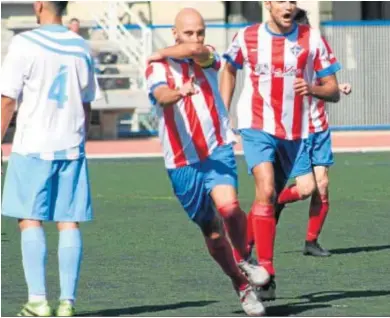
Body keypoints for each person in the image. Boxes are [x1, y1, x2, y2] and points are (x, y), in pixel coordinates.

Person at [146, 7, 268, 316]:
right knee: (212, 232)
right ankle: (240, 286)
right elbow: (161, 96)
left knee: (229, 208)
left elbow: (198, 52)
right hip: (181, 162)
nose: (196, 38)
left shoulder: (208, 55)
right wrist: (178, 92)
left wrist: (160, 50)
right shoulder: (156, 68)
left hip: (217, 148)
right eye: (188, 32)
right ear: (175, 33)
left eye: (200, 31)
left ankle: (244, 259)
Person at [220, 1, 341, 301]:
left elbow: (333, 90)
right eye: (281, 1)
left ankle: (241, 248)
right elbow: (229, 69)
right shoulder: (247, 37)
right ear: (268, 4)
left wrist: (312, 89)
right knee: (266, 187)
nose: (287, 6)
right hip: (256, 124)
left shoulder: (311, 38)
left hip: (295, 132)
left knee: (272, 196)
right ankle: (267, 275)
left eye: (292, 1)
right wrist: (224, 116)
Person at [1, 1, 100, 316]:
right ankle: (67, 304)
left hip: (32, 145)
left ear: (39, 5)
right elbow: (86, 103)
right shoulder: (81, 45)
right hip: (71, 146)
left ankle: (38, 302)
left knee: (30, 219)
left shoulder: (24, 43)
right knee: (68, 222)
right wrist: (79, 138)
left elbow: (7, 100)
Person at [275, 8, 352, 257]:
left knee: (323, 185)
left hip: (319, 128)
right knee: (306, 188)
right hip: (297, 133)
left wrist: (337, 86)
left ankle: (311, 241)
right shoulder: (283, 56)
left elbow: (321, 81)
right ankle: (276, 202)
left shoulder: (316, 48)